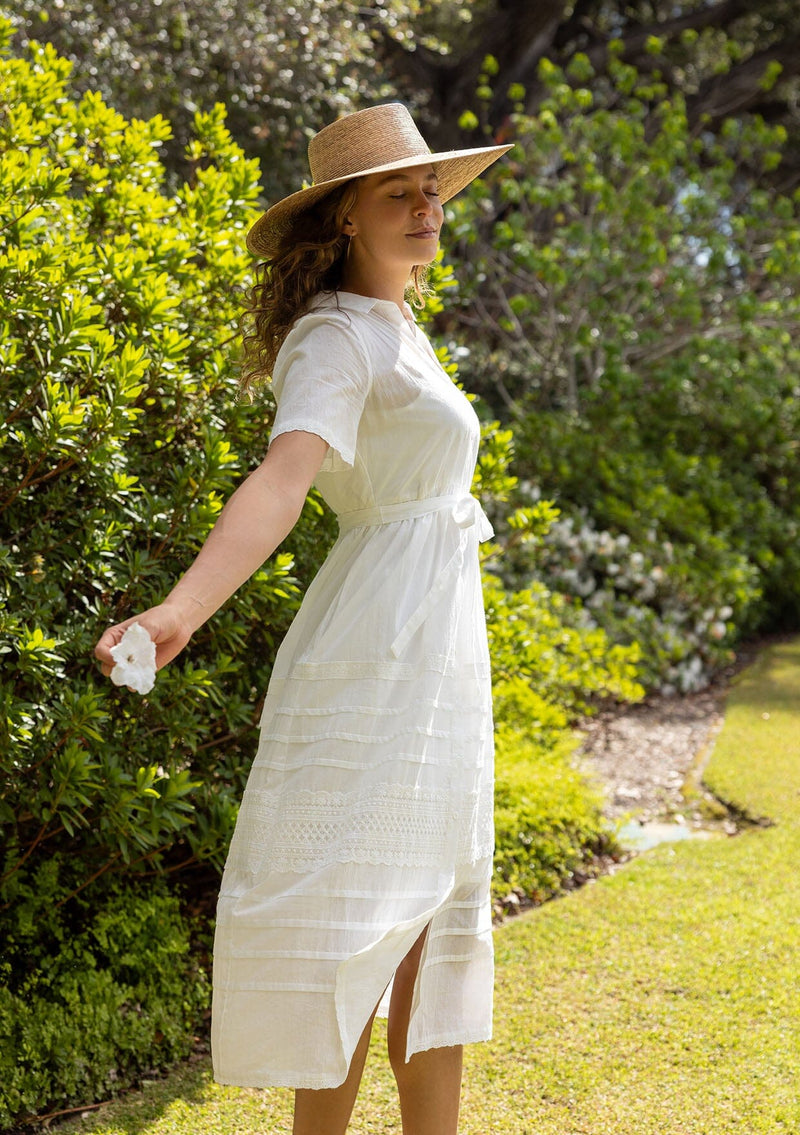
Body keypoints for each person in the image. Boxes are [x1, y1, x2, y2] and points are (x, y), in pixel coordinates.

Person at [95, 102, 512, 1135]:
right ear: (342, 221)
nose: (424, 206)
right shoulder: (331, 338)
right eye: (395, 193)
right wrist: (184, 605)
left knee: (432, 926)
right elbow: (282, 481)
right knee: (356, 932)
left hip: (435, 655)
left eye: (429, 189)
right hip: (378, 650)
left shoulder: (396, 326)